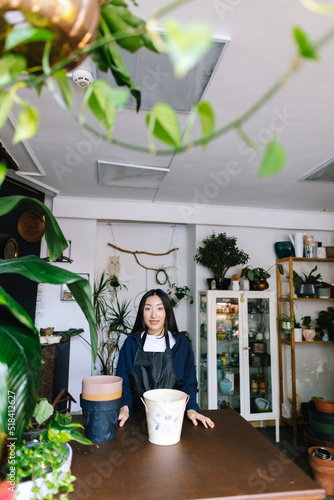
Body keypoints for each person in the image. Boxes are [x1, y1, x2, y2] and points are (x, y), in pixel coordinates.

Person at [116, 288, 214, 429]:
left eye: (159, 308)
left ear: (167, 312)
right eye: (148, 309)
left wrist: (191, 408)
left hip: (173, 420)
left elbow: (189, 383)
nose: (154, 315)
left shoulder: (181, 344)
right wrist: (124, 407)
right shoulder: (131, 343)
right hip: (137, 420)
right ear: (142, 313)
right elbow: (123, 381)